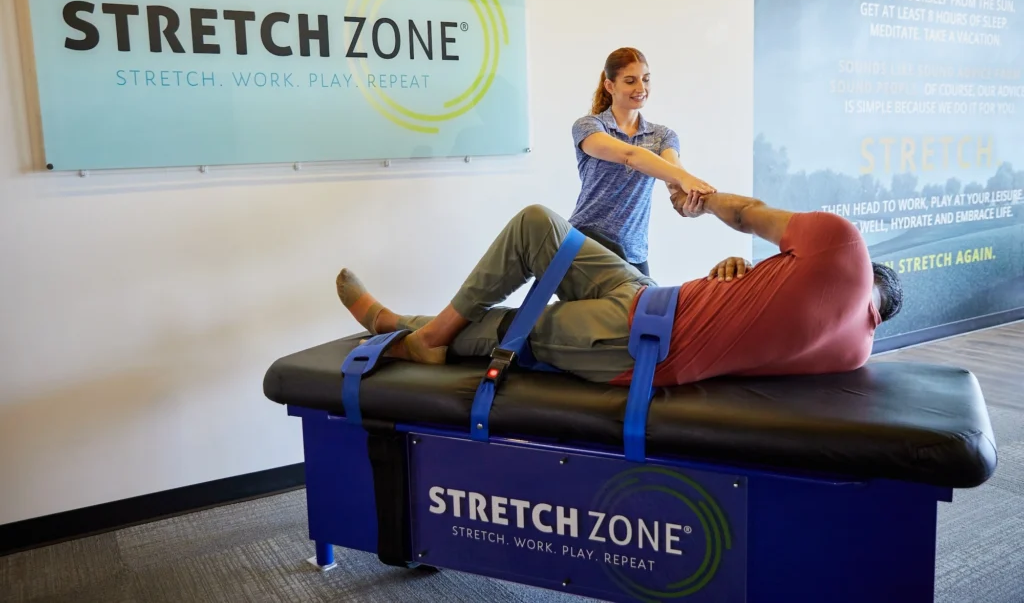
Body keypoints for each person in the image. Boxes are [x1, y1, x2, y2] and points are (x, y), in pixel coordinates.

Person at [335, 191, 903, 387]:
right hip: (650, 296)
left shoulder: (842, 245)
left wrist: (700, 200)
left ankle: (412, 333)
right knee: (541, 224)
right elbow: (764, 326)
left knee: (514, 326)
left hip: (635, 346)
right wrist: (742, 274)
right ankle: (424, 331)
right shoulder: (853, 354)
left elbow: (749, 214)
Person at [567, 47, 715, 276]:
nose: (641, 88)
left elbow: (675, 182)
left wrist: (691, 205)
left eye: (646, 80)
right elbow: (631, 156)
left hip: (633, 253)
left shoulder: (662, 136)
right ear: (610, 86)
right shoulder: (589, 126)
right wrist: (685, 178)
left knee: (641, 312)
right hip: (585, 244)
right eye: (630, 81)